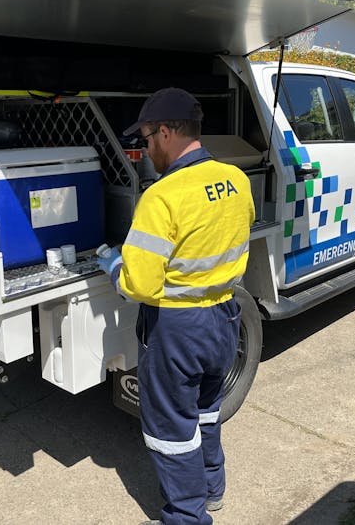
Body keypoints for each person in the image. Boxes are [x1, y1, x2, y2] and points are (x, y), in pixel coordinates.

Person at [97, 88, 255, 525]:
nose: (146, 149)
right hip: (225, 315)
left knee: (170, 431)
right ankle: (212, 489)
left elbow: (141, 285)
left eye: (147, 139)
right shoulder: (236, 180)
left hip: (177, 328)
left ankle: (187, 516)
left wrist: (113, 265)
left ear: (166, 132)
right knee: (206, 411)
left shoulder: (162, 197)